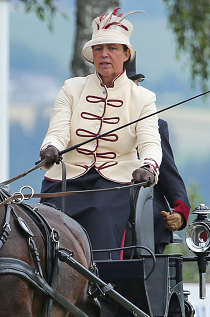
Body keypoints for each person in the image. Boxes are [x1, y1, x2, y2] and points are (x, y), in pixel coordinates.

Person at [38, 9, 162, 258]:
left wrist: (149, 167)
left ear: (127, 54)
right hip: (64, 181)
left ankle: (101, 290)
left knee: (102, 222)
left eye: (113, 48)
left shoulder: (143, 98)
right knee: (40, 231)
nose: (104, 54)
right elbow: (58, 130)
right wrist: (50, 147)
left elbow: (151, 143)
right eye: (98, 48)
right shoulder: (71, 88)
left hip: (113, 186)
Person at [126, 60, 192, 253]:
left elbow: (170, 177)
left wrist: (180, 213)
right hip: (105, 194)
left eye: (136, 84)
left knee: (151, 214)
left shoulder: (156, 125)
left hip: (143, 202)